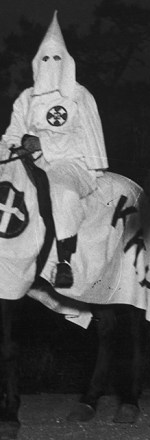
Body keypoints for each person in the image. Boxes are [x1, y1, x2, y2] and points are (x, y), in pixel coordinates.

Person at [2, 11, 108, 288]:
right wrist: (15, 147)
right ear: (37, 61)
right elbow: (12, 134)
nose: (51, 63)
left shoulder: (79, 96)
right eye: (45, 58)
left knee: (61, 192)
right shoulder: (26, 98)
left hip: (71, 165)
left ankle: (63, 262)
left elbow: (89, 143)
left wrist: (43, 144)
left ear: (67, 61)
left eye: (57, 58)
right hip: (29, 163)